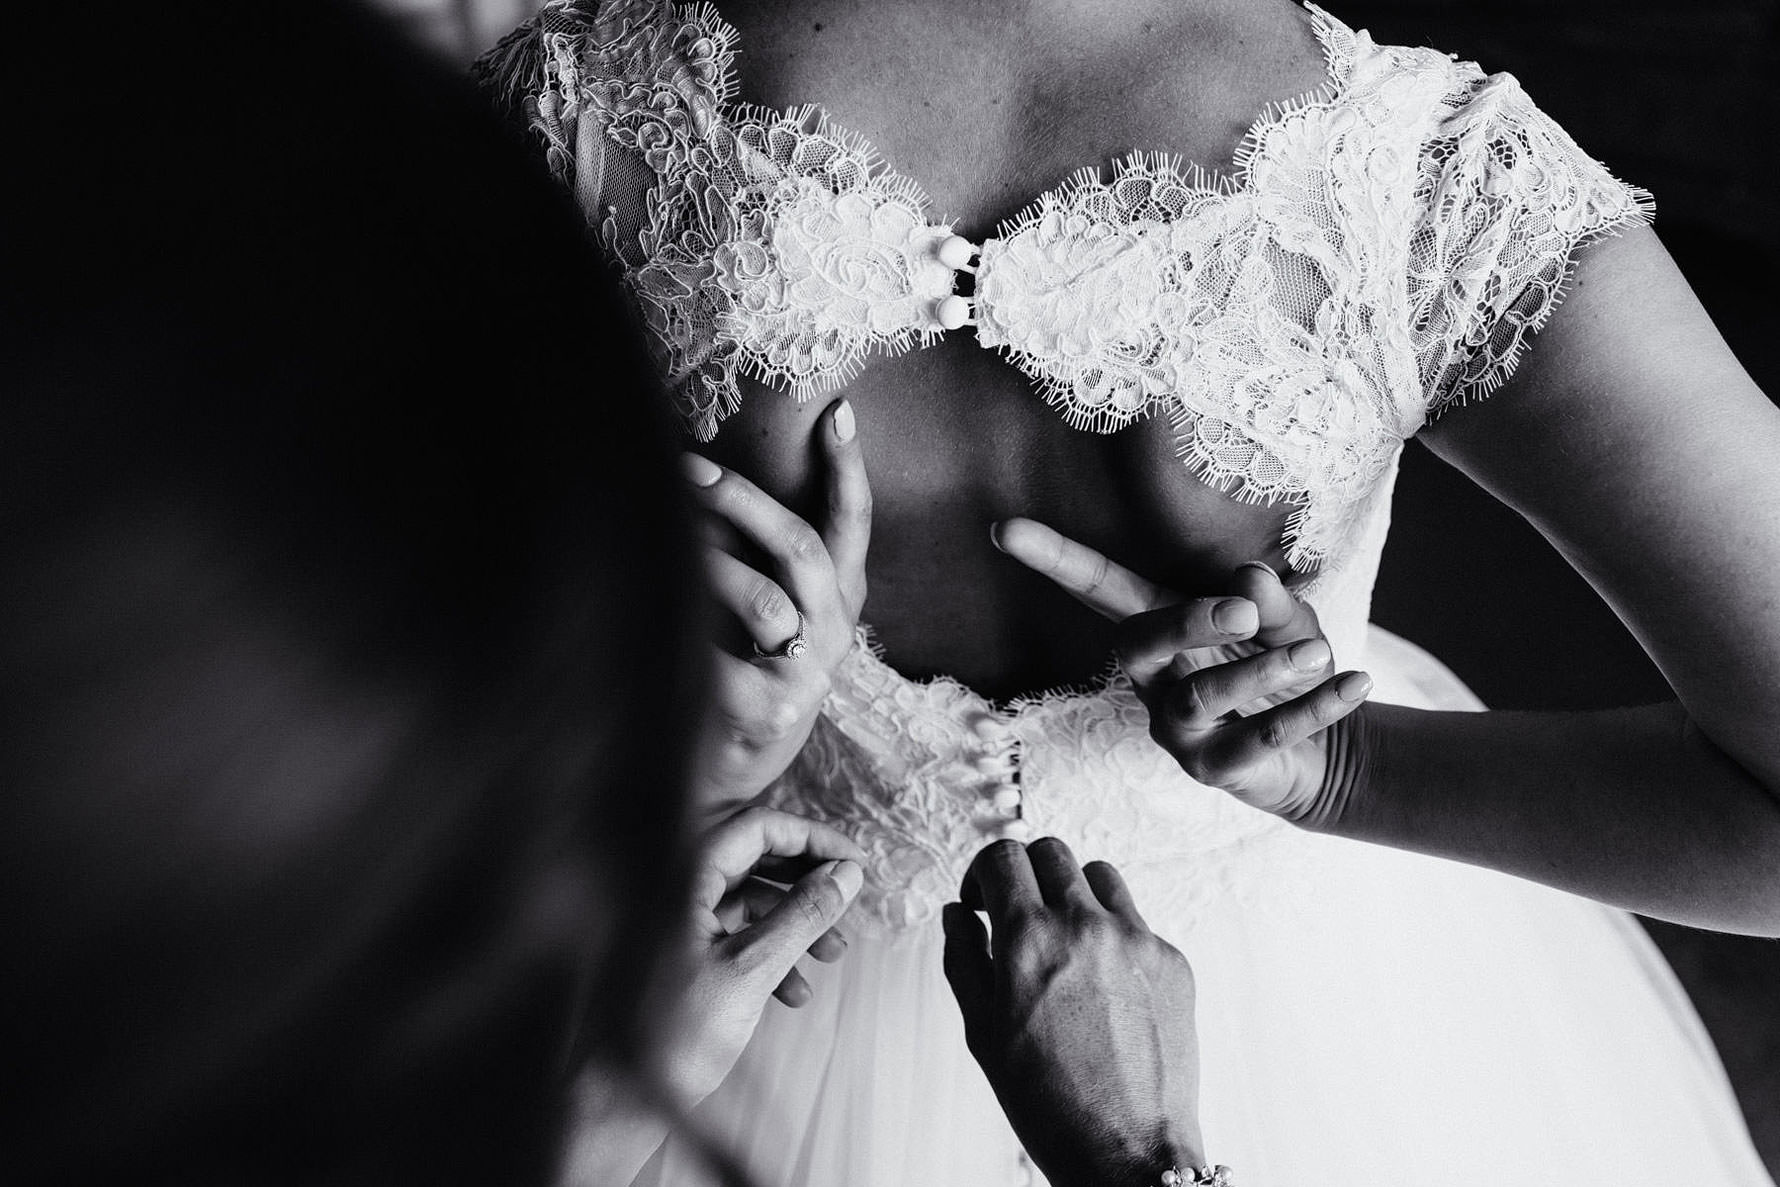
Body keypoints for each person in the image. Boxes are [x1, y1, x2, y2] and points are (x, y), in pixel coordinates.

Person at [480, 0, 1780, 1183]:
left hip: (699, 1001)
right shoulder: (1440, 189)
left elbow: (320, 734)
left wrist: (662, 757)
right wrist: (1352, 775)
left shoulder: (563, 119)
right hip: (1229, 1020)